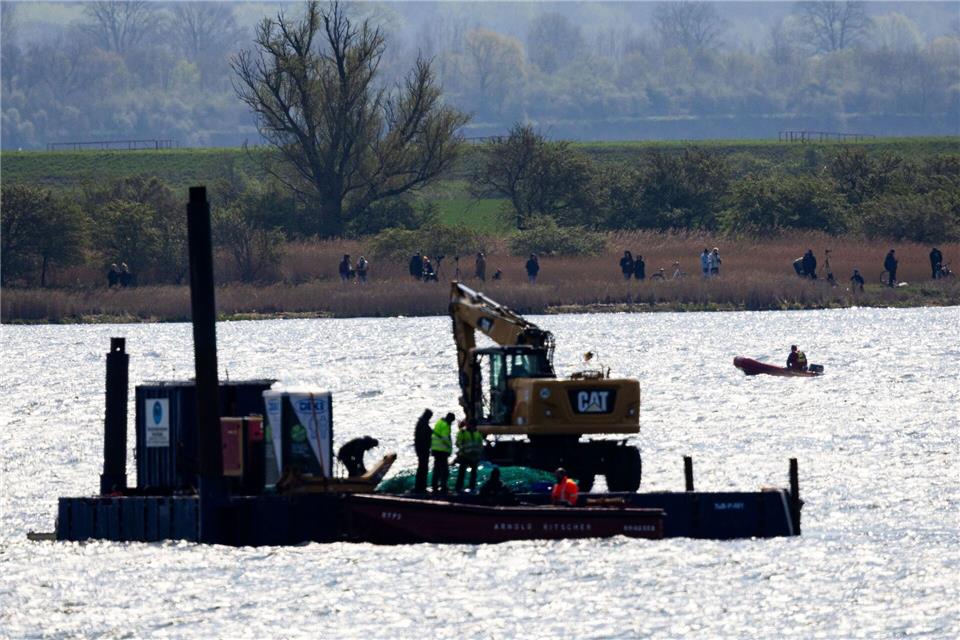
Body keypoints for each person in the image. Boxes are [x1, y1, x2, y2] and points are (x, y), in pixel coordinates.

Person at [454, 420, 484, 493]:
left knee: (473, 474)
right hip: (464, 456)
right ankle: (459, 488)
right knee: (462, 473)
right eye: (472, 425)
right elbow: (458, 443)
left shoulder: (478, 433)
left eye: (474, 426)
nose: (473, 427)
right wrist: (463, 450)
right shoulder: (462, 432)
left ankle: (472, 488)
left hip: (474, 457)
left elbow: (480, 445)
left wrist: (479, 455)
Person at [430, 412, 455, 495]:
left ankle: (435, 486)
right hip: (442, 450)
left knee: (437, 469)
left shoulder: (439, 422)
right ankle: (443, 486)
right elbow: (445, 438)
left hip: (435, 449)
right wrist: (450, 447)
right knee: (444, 470)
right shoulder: (445, 425)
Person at [413, 409, 433, 493]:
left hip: (421, 449)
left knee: (422, 468)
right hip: (422, 449)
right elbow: (425, 436)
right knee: (423, 468)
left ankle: (420, 486)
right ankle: (421, 487)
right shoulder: (423, 424)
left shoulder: (421, 422)